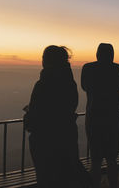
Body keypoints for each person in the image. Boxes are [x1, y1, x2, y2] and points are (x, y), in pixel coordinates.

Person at [26, 45, 80, 188]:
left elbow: (34, 119)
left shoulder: (43, 84)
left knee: (47, 179)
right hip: (67, 137)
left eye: (44, 57)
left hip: (45, 142)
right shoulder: (70, 83)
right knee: (66, 178)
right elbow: (69, 108)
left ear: (48, 60)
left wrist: (29, 114)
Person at [81, 43, 119, 188]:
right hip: (113, 118)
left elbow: (84, 86)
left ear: (97, 53)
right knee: (112, 159)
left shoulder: (88, 68)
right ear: (112, 54)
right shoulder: (116, 68)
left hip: (93, 118)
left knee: (95, 160)